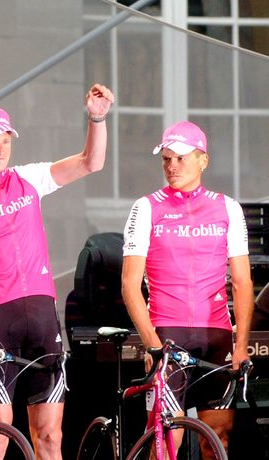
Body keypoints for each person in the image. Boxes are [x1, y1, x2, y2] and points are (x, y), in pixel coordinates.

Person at [0, 83, 114, 459]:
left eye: (5, 140)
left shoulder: (28, 178)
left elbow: (91, 162)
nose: (0, 148)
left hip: (42, 319)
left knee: (50, 436)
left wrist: (97, 119)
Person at [122, 121, 252, 457]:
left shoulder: (228, 207)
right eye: (166, 159)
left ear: (203, 160)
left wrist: (241, 346)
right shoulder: (145, 207)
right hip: (167, 334)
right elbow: (129, 285)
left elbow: (242, 282)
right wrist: (152, 345)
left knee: (218, 438)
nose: (172, 166)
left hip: (216, 335)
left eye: (181, 158)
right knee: (167, 441)